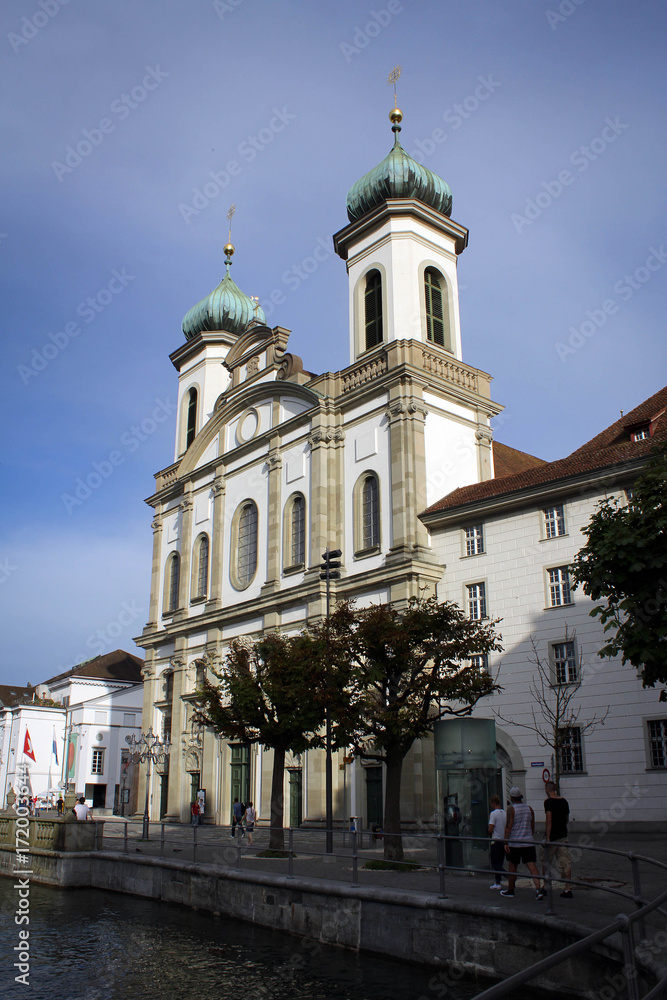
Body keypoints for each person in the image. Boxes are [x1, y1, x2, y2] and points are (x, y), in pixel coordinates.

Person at [500, 787, 544, 899]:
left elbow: (508, 827)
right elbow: (532, 826)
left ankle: (511, 890)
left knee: (512, 865)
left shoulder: (511, 809)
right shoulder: (529, 808)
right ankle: (538, 889)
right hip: (528, 841)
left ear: (511, 797)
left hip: (515, 843)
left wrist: (506, 842)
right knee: (531, 865)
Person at [543, 780, 572, 898]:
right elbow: (566, 818)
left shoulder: (548, 802)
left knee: (546, 862)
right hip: (563, 835)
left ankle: (545, 886)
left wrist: (548, 837)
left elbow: (549, 820)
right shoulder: (564, 801)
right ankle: (568, 888)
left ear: (547, 790)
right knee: (565, 863)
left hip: (553, 837)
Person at [488, 794, 506, 890]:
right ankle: (497, 882)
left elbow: (491, 828)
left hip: (495, 841)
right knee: (500, 861)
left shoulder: (493, 814)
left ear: (493, 803)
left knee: (495, 863)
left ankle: (507, 875)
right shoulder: (504, 813)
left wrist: (487, 831)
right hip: (503, 841)